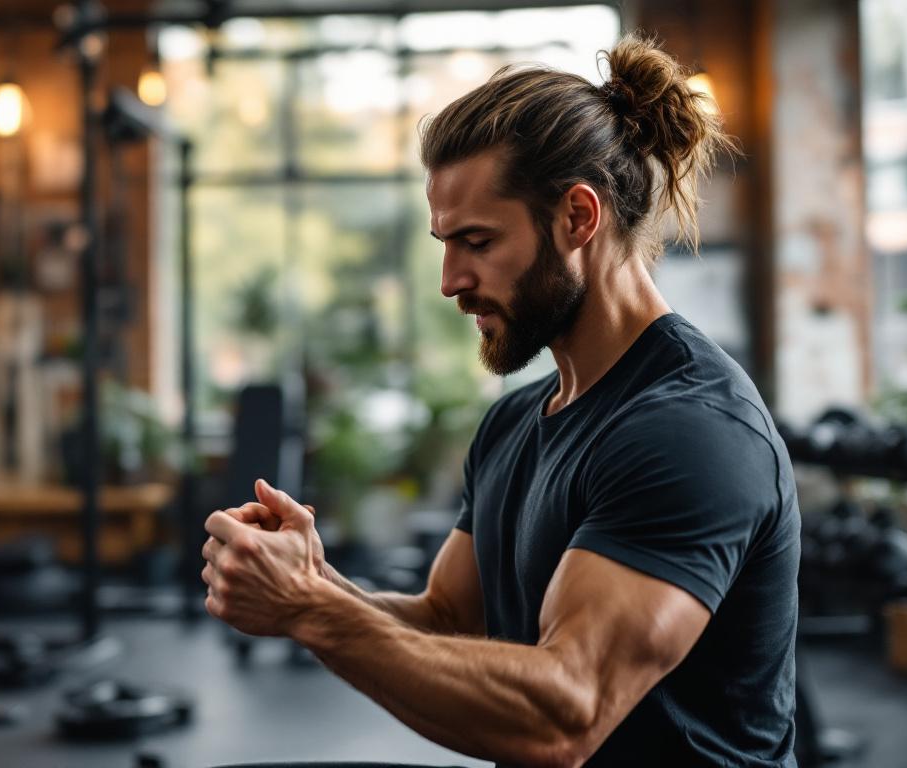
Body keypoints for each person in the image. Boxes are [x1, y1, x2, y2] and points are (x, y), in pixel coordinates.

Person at [200, 32, 800, 768]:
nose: (450, 280)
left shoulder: (689, 430)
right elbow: (447, 621)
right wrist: (308, 579)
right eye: (444, 243)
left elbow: (567, 712)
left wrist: (309, 609)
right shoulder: (517, 422)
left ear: (579, 219)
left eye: (477, 242)